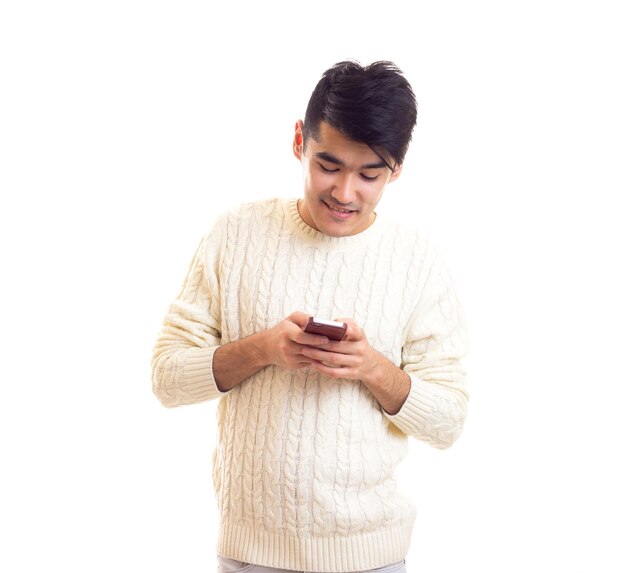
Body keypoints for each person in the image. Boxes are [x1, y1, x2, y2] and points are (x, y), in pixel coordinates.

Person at [152, 60, 469, 573]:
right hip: (249, 553)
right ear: (299, 139)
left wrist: (373, 368)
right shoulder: (234, 234)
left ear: (398, 169)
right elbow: (167, 379)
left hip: (373, 557)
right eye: (328, 165)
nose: (345, 193)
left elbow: (449, 421)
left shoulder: (418, 261)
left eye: (370, 175)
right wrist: (261, 351)